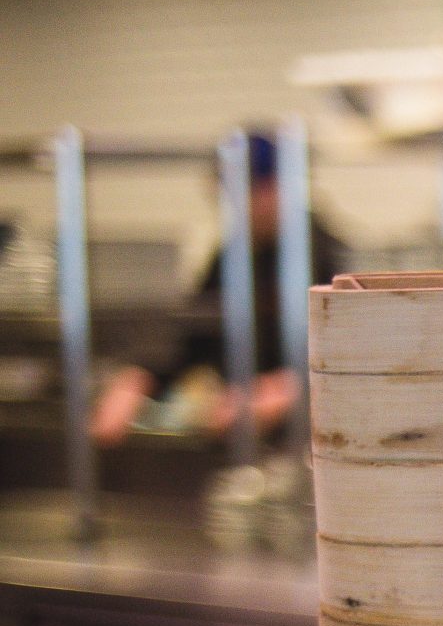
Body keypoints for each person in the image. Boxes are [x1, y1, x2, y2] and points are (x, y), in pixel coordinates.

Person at [90, 130, 345, 447]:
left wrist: (295, 386)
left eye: (245, 192)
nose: (234, 206)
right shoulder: (232, 257)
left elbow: (360, 353)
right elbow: (190, 330)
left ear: (280, 187)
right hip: (244, 441)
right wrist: (137, 376)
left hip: (315, 443)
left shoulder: (327, 256)